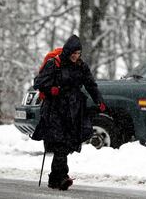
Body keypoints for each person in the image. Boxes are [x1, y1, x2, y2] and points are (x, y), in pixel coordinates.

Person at [31, 35, 107, 190]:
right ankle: (63, 177)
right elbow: (38, 82)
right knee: (60, 143)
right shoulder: (54, 64)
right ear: (67, 51)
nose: (75, 56)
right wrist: (51, 89)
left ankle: (54, 179)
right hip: (55, 109)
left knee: (68, 143)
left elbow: (91, 84)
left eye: (78, 53)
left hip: (74, 110)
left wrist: (100, 101)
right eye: (73, 52)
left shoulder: (81, 66)